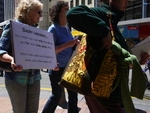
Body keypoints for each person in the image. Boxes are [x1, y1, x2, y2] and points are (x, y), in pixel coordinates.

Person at [66, 0, 146, 113]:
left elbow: (115, 56)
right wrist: (103, 30)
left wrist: (136, 59)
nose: (127, 2)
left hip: (108, 94)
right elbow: (72, 13)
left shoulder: (112, 21)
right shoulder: (102, 14)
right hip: (104, 95)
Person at [0, 0, 43, 113]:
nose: (41, 15)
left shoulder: (36, 31)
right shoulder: (12, 26)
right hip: (17, 78)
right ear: (27, 11)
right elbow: (0, 50)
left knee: (33, 111)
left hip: (34, 77)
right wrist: (12, 59)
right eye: (38, 12)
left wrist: (50, 62)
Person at [42, 1, 79, 113]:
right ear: (58, 13)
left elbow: (70, 46)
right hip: (56, 68)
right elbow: (49, 50)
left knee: (73, 95)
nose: (68, 10)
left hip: (68, 68)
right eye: (66, 9)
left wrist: (75, 43)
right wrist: (68, 44)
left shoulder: (67, 28)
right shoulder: (53, 29)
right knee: (56, 96)